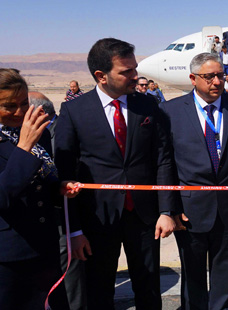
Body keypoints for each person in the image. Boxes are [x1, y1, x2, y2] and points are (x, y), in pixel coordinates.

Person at [55, 38, 181, 310]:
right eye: (126, 72)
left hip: (145, 217)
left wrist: (166, 210)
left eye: (135, 69)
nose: (135, 76)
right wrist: (74, 230)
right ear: (101, 76)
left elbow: (163, 160)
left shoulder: (148, 106)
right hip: (97, 219)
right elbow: (66, 174)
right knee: (99, 290)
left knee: (148, 289)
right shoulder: (74, 111)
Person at [160, 52, 228, 310]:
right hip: (190, 212)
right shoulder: (171, 111)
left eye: (221, 75)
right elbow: (166, 165)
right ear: (193, 78)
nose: (217, 81)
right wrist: (170, 209)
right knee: (193, 279)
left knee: (227, 276)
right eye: (209, 77)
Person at [0, 68, 79, 309]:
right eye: (9, 106)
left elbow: (37, 182)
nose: (19, 112)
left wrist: (58, 188)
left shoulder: (36, 132)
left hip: (44, 247)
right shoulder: (26, 137)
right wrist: (24, 147)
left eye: (23, 103)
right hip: (9, 256)